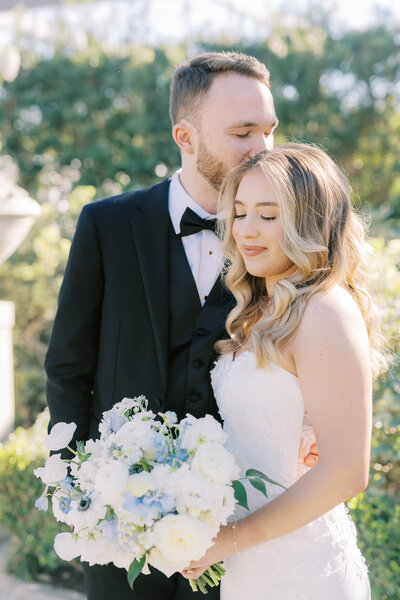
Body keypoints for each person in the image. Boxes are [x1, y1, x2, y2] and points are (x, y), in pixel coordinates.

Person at [45, 52, 318, 599]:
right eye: (243, 132)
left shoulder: (289, 241)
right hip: (120, 526)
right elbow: (68, 367)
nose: (263, 149)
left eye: (269, 130)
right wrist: (77, 489)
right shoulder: (107, 225)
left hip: (241, 526)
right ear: (185, 136)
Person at [182, 142, 387, 598]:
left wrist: (228, 540)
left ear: (308, 222)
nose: (246, 230)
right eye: (239, 212)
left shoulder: (325, 311)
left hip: (303, 568)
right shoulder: (258, 310)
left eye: (269, 216)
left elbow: (346, 471)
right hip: (247, 564)